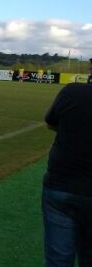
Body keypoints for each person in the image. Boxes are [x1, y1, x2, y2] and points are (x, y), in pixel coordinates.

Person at [42, 82, 92, 266]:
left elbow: (51, 123)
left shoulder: (72, 91)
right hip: (63, 186)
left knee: (58, 260)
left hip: (61, 184)